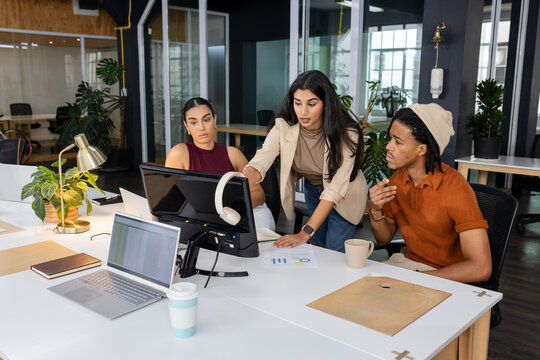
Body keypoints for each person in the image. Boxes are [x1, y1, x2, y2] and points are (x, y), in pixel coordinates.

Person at [244, 70, 367, 252]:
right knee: (321, 247)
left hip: (346, 193)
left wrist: (305, 232)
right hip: (314, 189)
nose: (303, 111)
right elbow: (263, 157)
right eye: (297, 103)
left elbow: (335, 189)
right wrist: (241, 182)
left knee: (334, 251)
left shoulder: (347, 133)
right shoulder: (284, 126)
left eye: (312, 104)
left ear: (326, 103)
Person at [369, 103, 492, 283]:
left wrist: (418, 279)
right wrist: (376, 211)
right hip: (411, 266)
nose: (388, 146)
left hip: (447, 276)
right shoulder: (397, 180)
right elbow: (384, 238)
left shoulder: (456, 188)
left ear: (421, 149)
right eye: (390, 139)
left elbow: (481, 268)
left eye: (398, 141)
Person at [165, 97, 275, 230]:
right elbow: (170, 199)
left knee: (259, 219)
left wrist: (233, 209)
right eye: (193, 122)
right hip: (199, 218)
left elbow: (259, 194)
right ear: (187, 126)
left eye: (206, 120)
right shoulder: (179, 153)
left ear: (214, 120)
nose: (201, 127)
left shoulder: (233, 154)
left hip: (233, 216)